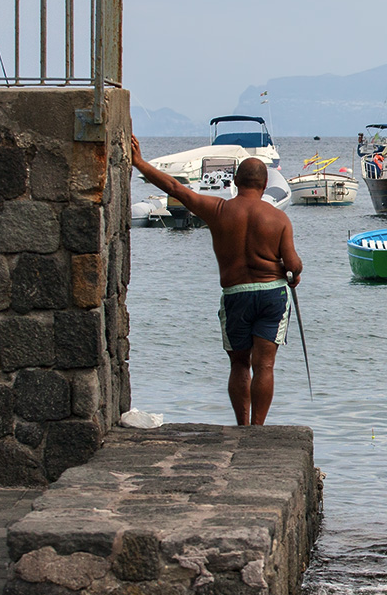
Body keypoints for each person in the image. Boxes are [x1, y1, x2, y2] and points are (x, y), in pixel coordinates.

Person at [129, 135, 303, 426]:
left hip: (236, 293)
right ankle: (258, 428)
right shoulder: (279, 219)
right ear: (263, 186)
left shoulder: (219, 210)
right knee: (265, 365)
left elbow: (175, 188)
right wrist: (293, 272)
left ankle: (242, 425)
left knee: (239, 364)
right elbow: (294, 263)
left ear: (235, 181)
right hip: (273, 293)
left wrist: (139, 162)